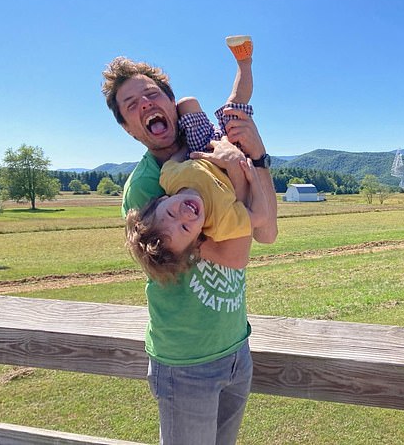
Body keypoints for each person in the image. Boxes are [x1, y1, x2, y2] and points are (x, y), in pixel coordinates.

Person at [101, 35, 277, 445]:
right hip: (186, 361)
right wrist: (239, 174)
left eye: (151, 95)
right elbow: (236, 255)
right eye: (132, 106)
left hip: (236, 345)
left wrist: (257, 156)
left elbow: (266, 232)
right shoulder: (147, 190)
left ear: (170, 102)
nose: (145, 104)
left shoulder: (210, 147)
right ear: (128, 129)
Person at [124, 36, 269, 283]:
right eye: (131, 105)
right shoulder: (220, 220)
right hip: (229, 159)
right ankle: (245, 62)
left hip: (199, 148)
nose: (184, 216)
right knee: (235, 106)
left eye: (151, 94)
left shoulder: (169, 179)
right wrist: (245, 167)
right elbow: (262, 223)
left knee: (188, 102)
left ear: (163, 200)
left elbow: (178, 159)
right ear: (198, 239)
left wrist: (187, 149)